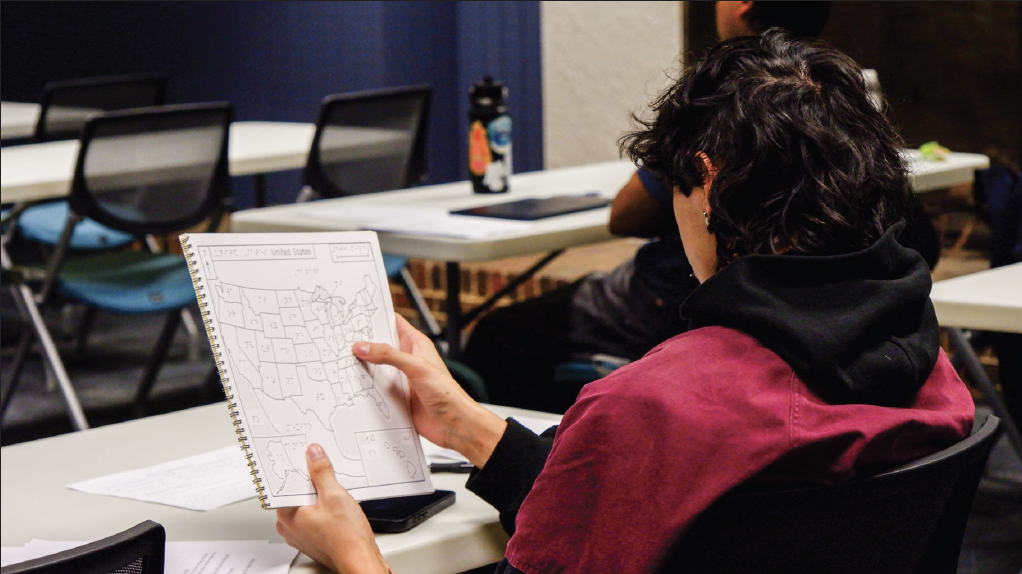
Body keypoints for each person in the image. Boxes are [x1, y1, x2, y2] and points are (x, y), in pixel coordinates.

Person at [275, 30, 974, 574]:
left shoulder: (655, 406)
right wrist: (466, 426)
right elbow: (642, 505)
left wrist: (353, 553)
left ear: (707, 180)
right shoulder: (927, 368)